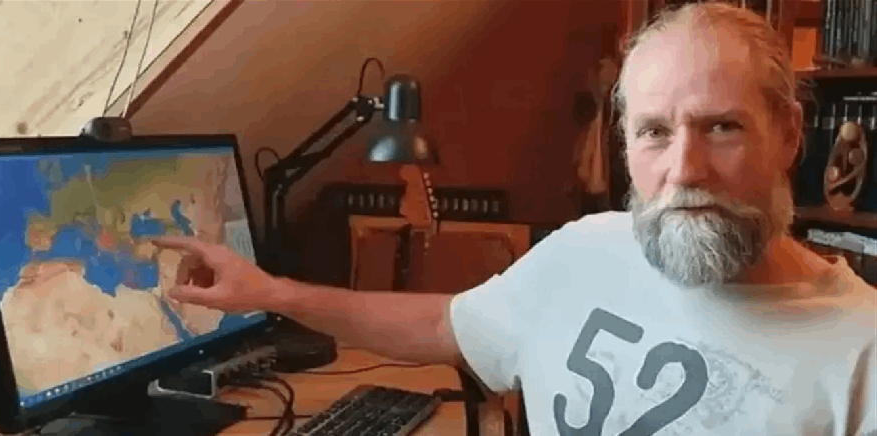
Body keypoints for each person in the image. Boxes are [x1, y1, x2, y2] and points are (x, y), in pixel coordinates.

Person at [151, 2, 877, 434]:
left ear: (789, 134)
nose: (685, 168)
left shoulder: (861, 352)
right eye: (655, 132)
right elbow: (445, 325)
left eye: (721, 127)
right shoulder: (585, 252)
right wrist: (271, 292)